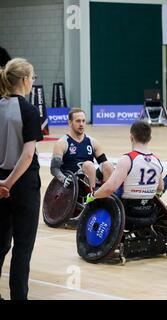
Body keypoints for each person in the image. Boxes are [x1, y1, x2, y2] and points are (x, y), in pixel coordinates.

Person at [0, 58, 42, 300]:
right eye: (32, 78)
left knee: (0, 244)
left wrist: (2, 183)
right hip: (22, 185)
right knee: (22, 247)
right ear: (25, 80)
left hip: (0, 184)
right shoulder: (28, 110)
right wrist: (9, 183)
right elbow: (27, 155)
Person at [85, 121, 164, 216]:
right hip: (148, 210)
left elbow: (110, 188)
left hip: (127, 210)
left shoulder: (127, 159)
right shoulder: (157, 161)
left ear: (131, 137)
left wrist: (93, 195)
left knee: (104, 188)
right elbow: (160, 188)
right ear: (150, 138)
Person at [50, 108, 114, 191]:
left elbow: (104, 164)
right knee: (89, 165)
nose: (81, 124)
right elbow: (54, 169)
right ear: (70, 122)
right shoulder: (62, 143)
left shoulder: (92, 142)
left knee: (108, 165)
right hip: (72, 181)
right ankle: (91, 197)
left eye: (83, 121)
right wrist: (64, 179)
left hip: (90, 177)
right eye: (78, 121)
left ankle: (106, 195)